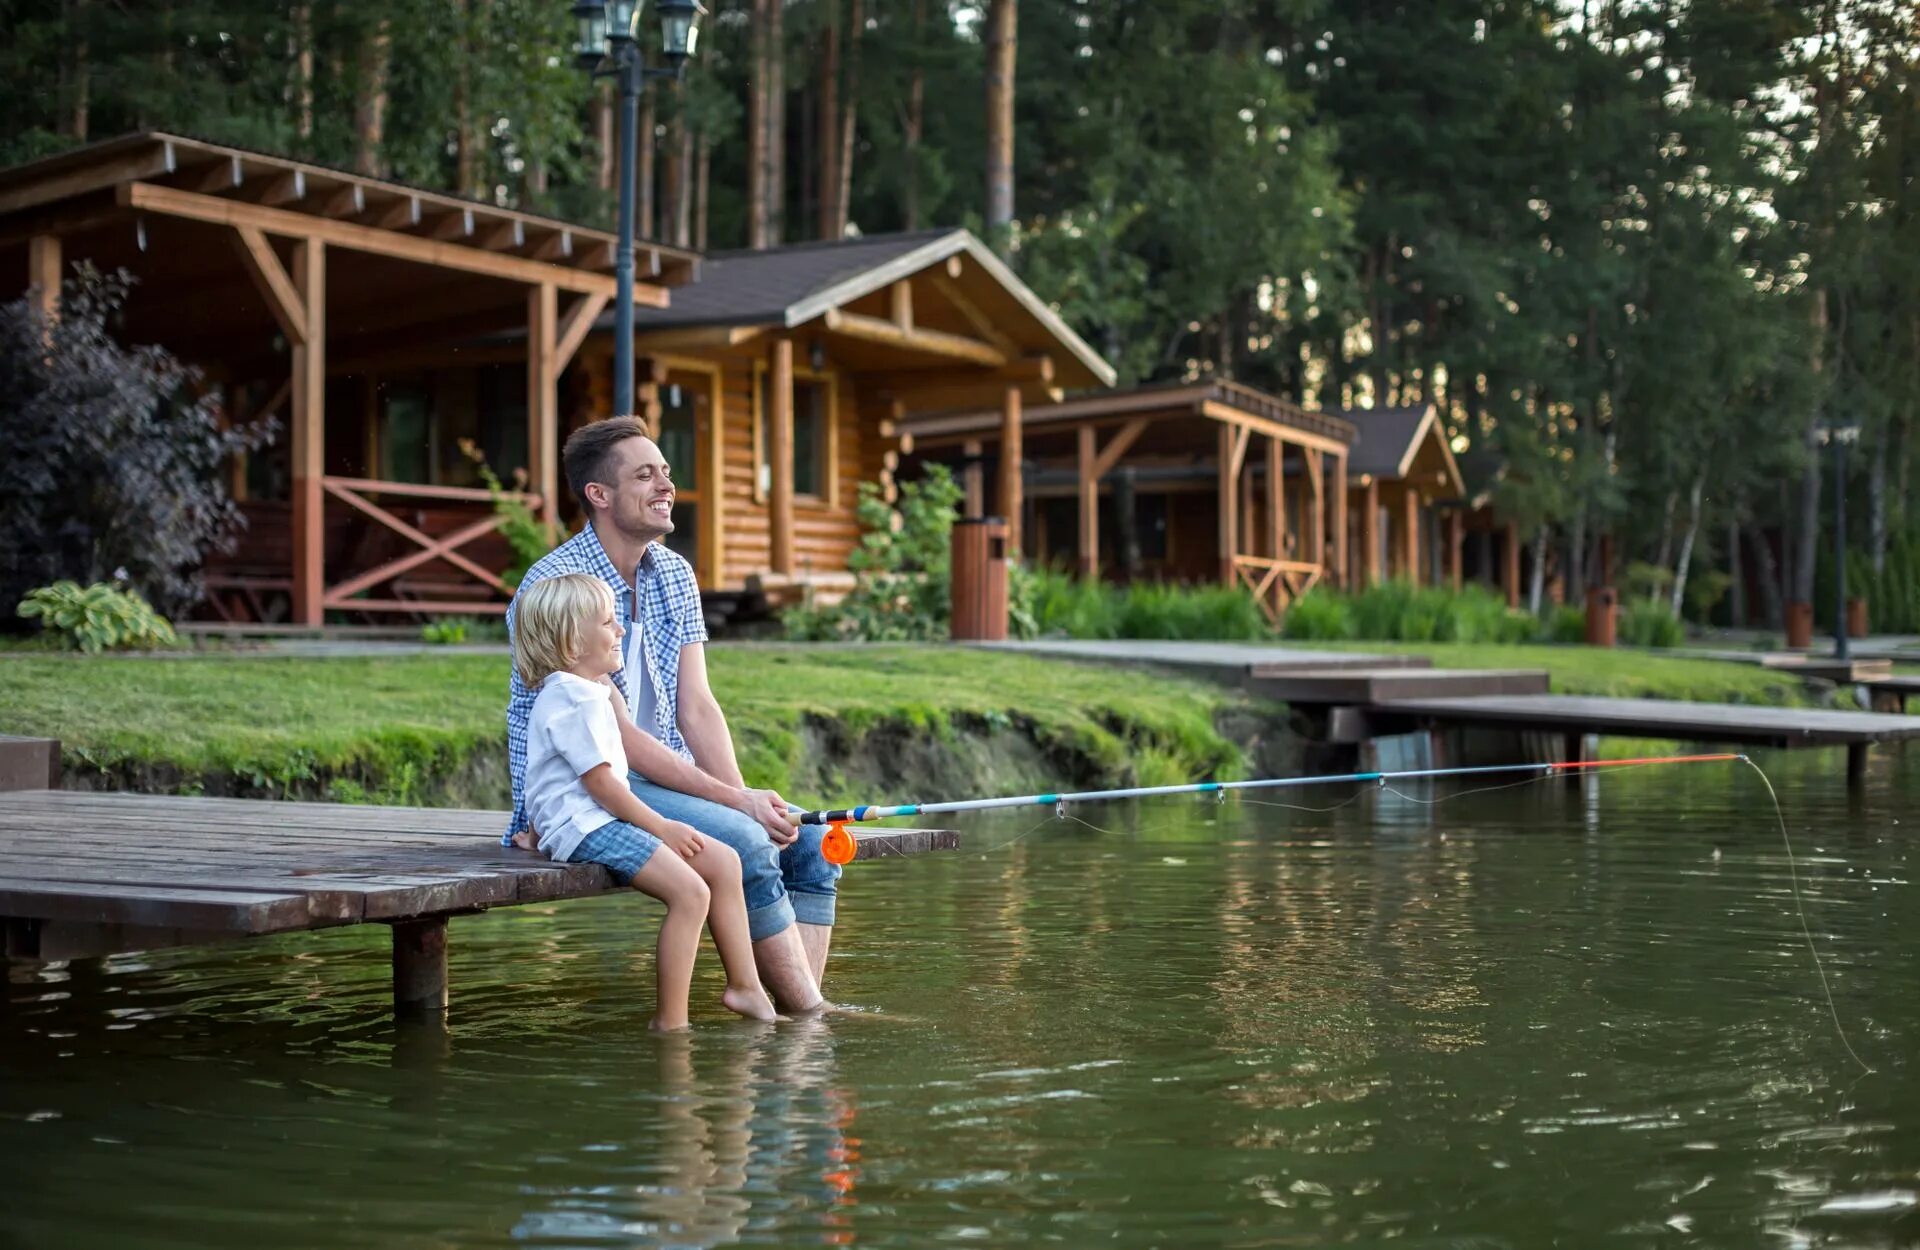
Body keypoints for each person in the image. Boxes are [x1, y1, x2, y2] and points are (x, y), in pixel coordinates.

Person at [505, 415, 837, 1014]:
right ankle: (807, 1024)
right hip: (599, 783)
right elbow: (618, 742)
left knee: (806, 841)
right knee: (747, 845)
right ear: (599, 496)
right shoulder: (557, 587)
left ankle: (801, 1008)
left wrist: (744, 796)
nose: (666, 485)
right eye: (644, 475)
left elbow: (697, 707)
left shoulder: (674, 573)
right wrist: (737, 809)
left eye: (666, 471)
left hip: (667, 774)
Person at [513, 573, 780, 1030]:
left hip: (590, 818)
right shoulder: (573, 698)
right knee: (691, 892)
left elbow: (547, 775)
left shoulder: (587, 690)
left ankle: (746, 986)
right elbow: (601, 785)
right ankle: (671, 1025)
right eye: (608, 623)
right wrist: (662, 827)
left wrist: (537, 833)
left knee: (724, 862)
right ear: (572, 644)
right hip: (592, 825)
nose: (620, 631)